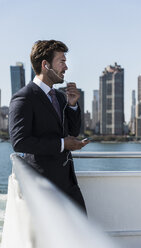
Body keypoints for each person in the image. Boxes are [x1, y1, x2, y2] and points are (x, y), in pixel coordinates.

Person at [9, 40, 89, 213]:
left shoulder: (60, 98)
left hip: (69, 184)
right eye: (62, 61)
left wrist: (73, 105)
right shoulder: (24, 98)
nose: (66, 68)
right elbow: (20, 142)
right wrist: (62, 144)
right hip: (44, 187)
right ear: (46, 65)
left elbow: (72, 132)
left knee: (80, 232)